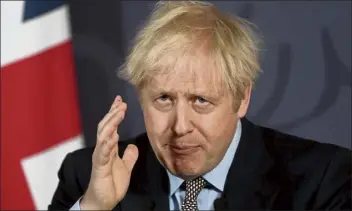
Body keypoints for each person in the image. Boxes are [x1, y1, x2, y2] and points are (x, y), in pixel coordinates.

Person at [48, 1, 351, 210]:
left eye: (201, 101)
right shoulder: (86, 176)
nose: (180, 127)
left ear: (242, 98)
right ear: (140, 97)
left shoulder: (322, 178)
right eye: (164, 99)